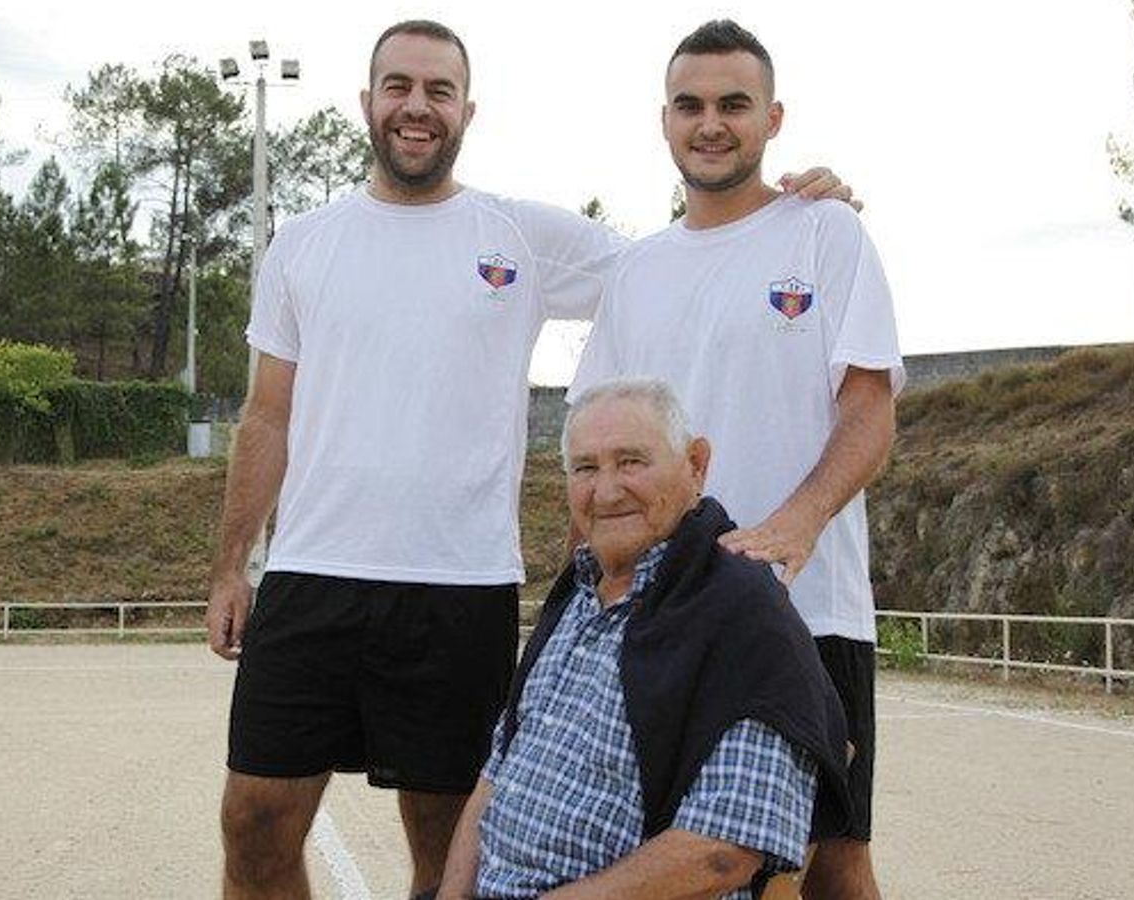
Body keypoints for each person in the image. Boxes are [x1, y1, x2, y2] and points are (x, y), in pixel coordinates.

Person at [206, 19, 856, 899]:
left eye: (439, 91)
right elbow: (268, 415)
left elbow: (689, 258)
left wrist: (792, 218)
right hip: (312, 573)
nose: (417, 107)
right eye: (399, 86)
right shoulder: (303, 244)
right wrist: (230, 566)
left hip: (460, 586)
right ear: (368, 103)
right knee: (253, 822)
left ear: (466, 110)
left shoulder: (520, 235)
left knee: (450, 849)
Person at [569, 20, 904, 900]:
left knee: (831, 861)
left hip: (810, 612)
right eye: (691, 105)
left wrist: (794, 526)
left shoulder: (826, 233)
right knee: (674, 862)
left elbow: (870, 411)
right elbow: (596, 450)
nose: (710, 123)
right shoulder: (636, 272)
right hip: (662, 616)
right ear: (665, 120)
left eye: (733, 105)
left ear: (773, 118)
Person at [436, 378, 853, 900]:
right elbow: (497, 777)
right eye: (586, 468)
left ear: (696, 465)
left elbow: (723, 852)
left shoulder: (743, 616)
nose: (606, 491)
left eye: (631, 462)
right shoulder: (575, 597)